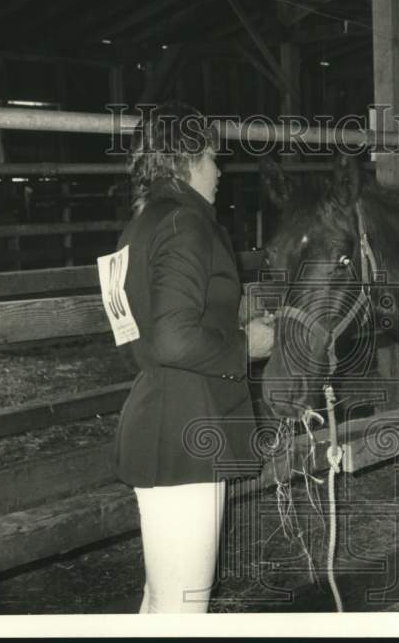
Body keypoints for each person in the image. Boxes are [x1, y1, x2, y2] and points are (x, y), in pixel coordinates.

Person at [109, 101, 275, 613]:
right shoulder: (186, 223)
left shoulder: (141, 225)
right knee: (184, 608)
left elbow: (134, 329)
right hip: (187, 430)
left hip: (161, 416)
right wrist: (248, 345)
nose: (220, 171)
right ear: (184, 159)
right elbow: (174, 339)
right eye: (210, 157)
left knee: (162, 600)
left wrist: (231, 316)